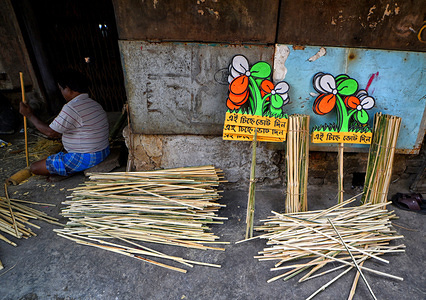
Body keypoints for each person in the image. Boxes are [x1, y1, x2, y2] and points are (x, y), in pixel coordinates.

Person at [19, 70, 110, 179]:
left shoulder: (71, 108)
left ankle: (69, 169)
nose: (61, 93)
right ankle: (69, 167)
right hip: (103, 151)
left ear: (68, 89)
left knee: (35, 167)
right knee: (58, 155)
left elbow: (50, 132)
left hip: (88, 157)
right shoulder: (94, 104)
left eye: (61, 89)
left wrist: (29, 115)